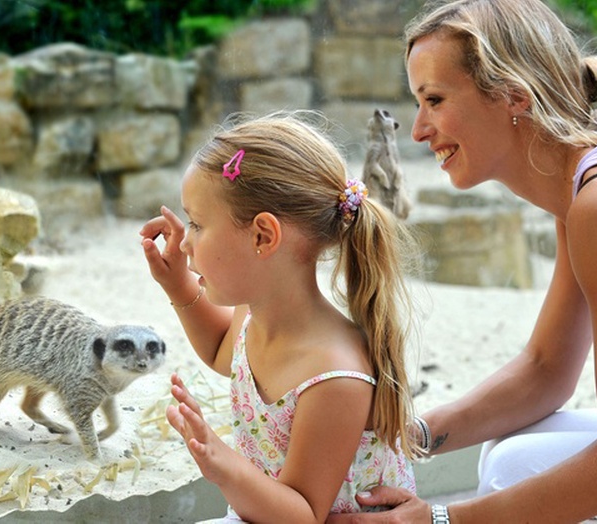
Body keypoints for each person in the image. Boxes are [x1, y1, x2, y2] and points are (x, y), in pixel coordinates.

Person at [330, 0, 597, 522]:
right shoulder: (585, 184)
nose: (419, 130)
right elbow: (546, 371)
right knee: (509, 454)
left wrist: (440, 519)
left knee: (510, 471)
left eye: (435, 100)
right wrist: (405, 435)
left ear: (514, 95)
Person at [139, 112, 419, 522]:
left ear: (262, 236)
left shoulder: (334, 376)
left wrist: (222, 462)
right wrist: (177, 285)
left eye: (197, 224)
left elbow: (303, 514)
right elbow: (222, 352)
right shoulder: (254, 313)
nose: (185, 243)